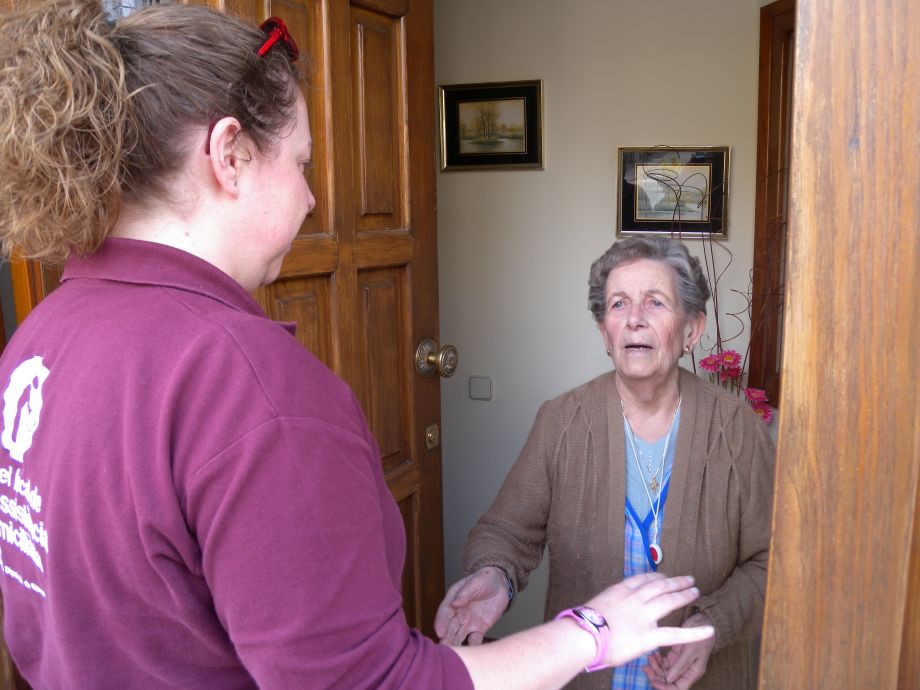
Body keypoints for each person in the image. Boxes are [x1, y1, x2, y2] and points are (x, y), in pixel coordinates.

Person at [0, 2, 714, 687]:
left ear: (692, 327)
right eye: (302, 164)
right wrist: (593, 633)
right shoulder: (250, 391)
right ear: (230, 155)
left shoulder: (39, 339)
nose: (311, 198)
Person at [435, 236, 775, 690]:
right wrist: (496, 576)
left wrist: (712, 624)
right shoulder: (562, 421)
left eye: (655, 302)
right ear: (605, 333)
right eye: (619, 304)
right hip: (587, 678)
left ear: (692, 330)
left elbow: (772, 561)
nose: (634, 319)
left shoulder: (737, 431)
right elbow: (507, 532)